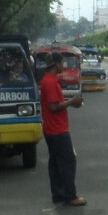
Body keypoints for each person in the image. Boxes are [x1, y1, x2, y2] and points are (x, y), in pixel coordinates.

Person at [40, 51, 85, 206]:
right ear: (56, 64)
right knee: (68, 162)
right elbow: (54, 107)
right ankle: (70, 196)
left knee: (55, 163)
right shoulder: (51, 82)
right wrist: (72, 101)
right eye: (62, 62)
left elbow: (55, 102)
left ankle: (58, 194)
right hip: (58, 130)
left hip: (50, 129)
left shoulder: (48, 80)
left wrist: (70, 102)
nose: (64, 65)